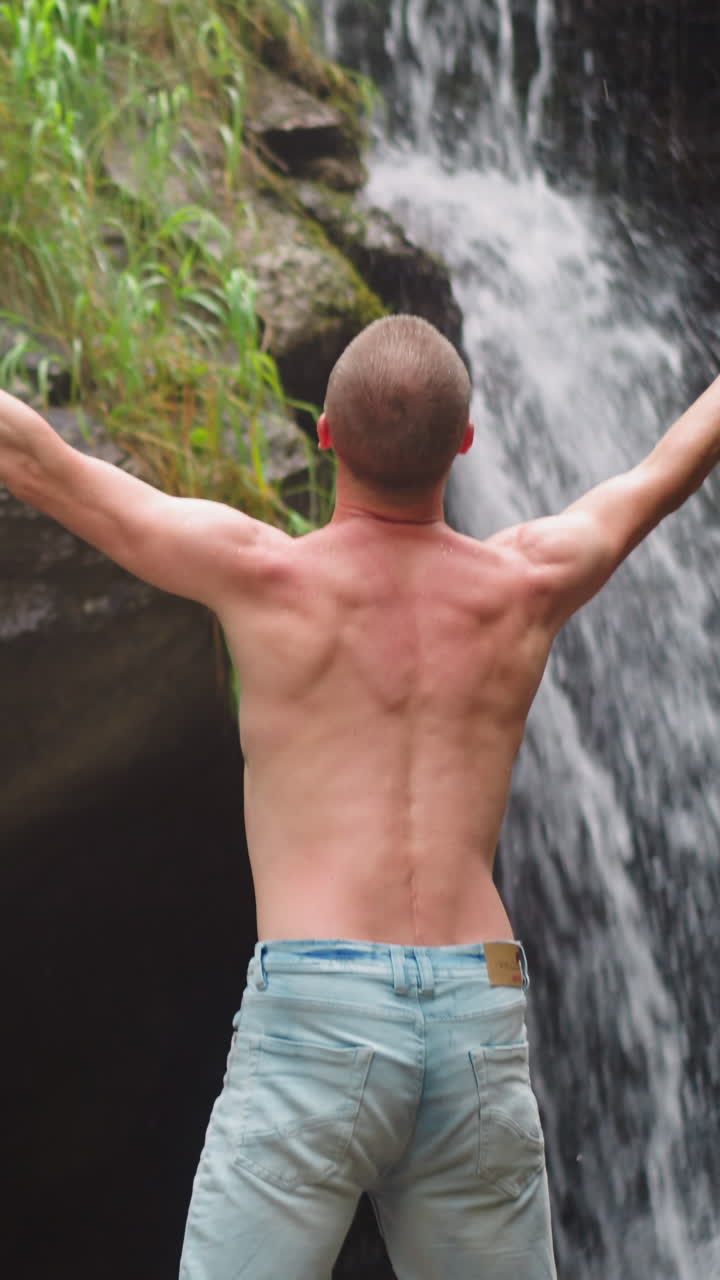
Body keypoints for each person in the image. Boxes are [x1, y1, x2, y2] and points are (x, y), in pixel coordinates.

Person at [1, 313, 718, 1280]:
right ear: (465, 444)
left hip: (316, 1014)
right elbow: (665, 471)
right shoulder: (529, 582)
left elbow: (37, 459)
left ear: (325, 430)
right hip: (477, 1007)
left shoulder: (261, 576)